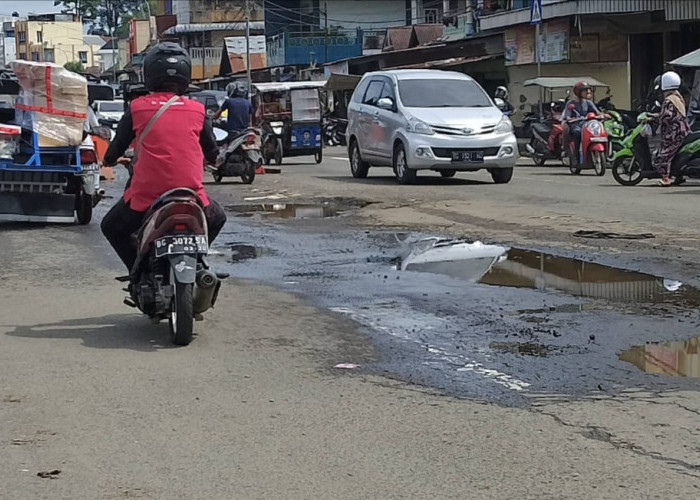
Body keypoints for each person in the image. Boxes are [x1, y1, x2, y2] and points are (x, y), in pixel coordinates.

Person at [100, 42, 226, 273]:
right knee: (217, 218)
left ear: (149, 74)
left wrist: (109, 160)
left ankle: (138, 272)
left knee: (110, 227)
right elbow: (212, 151)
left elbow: (117, 146)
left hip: (146, 196)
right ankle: (198, 259)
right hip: (191, 195)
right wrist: (212, 158)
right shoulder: (198, 110)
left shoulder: (137, 108)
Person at [650, 71, 690, 186]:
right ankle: (679, 176)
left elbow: (667, 116)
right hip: (681, 130)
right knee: (675, 153)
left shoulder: (669, 100)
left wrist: (653, 118)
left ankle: (665, 178)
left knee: (665, 154)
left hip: (674, 132)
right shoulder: (678, 96)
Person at [561, 81, 602, 165]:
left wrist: (602, 115)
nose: (588, 92)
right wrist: (570, 119)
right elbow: (567, 116)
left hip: (587, 124)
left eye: (588, 90)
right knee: (577, 133)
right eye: (585, 90)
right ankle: (576, 157)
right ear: (578, 92)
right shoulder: (570, 103)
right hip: (575, 125)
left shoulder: (588, 103)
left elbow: (598, 113)